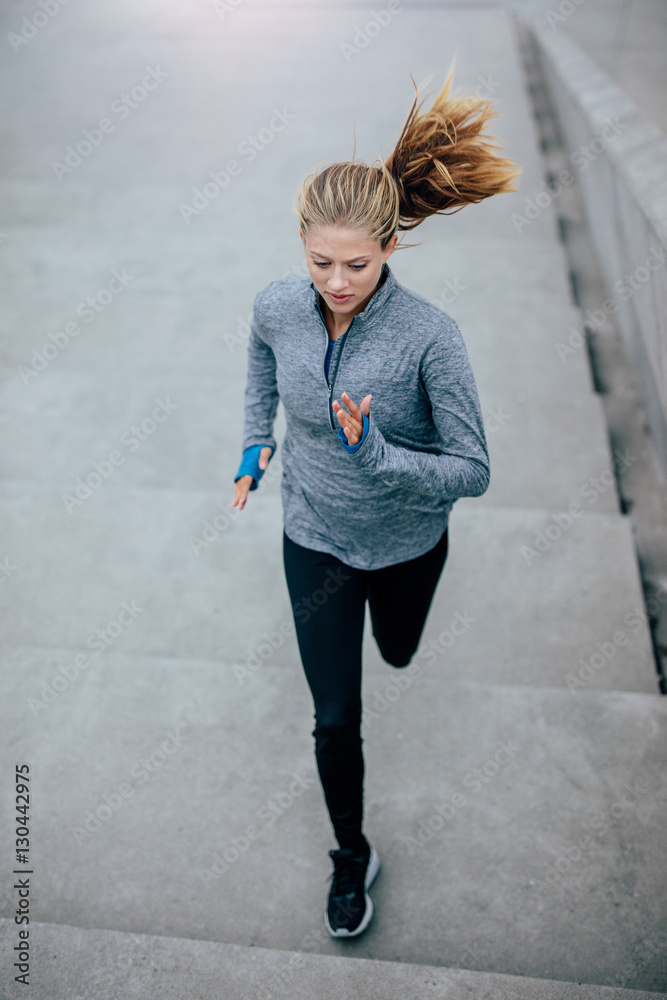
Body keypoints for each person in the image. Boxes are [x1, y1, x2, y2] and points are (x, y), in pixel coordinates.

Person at [232, 61, 521, 938]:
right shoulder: (280, 305)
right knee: (334, 718)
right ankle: (350, 854)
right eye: (319, 261)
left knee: (395, 655)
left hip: (404, 546)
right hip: (312, 538)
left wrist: (379, 453)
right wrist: (256, 442)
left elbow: (472, 469)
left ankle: (397, 630)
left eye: (356, 263)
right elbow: (257, 360)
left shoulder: (432, 338)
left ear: (390, 248)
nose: (336, 281)